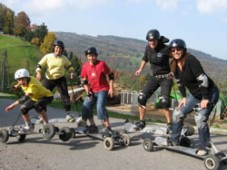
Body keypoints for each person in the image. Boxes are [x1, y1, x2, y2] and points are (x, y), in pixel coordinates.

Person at [169, 39, 219, 156]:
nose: (176, 52)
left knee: (200, 117)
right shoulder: (174, 64)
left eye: (179, 49)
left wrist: (205, 98)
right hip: (195, 95)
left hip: (209, 92)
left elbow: (203, 79)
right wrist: (184, 97)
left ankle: (204, 145)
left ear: (183, 50)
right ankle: (175, 140)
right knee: (177, 113)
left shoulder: (190, 59)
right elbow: (179, 82)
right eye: (173, 50)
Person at [135, 29, 173, 133]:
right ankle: (141, 121)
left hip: (166, 77)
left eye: (153, 40)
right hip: (155, 77)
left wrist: (174, 71)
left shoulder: (165, 48)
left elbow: (176, 58)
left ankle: (170, 124)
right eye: (149, 41)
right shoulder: (148, 48)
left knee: (164, 101)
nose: (151, 43)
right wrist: (140, 69)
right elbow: (145, 58)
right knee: (141, 97)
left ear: (157, 40)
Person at [36, 40, 75, 122]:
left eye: (60, 48)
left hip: (60, 79)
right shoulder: (48, 56)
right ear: (54, 48)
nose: (58, 50)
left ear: (62, 50)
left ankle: (68, 114)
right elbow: (39, 65)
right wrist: (38, 73)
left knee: (65, 95)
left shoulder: (64, 58)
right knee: (43, 96)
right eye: (57, 47)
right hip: (49, 79)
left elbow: (69, 66)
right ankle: (42, 115)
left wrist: (71, 72)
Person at [80, 47, 115, 134]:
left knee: (99, 107)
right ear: (87, 57)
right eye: (89, 56)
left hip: (102, 89)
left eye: (93, 56)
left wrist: (111, 87)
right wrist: (88, 92)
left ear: (96, 56)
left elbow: (111, 75)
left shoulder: (102, 64)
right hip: (92, 90)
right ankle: (93, 126)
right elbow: (84, 80)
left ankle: (108, 127)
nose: (91, 58)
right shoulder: (85, 66)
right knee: (85, 107)